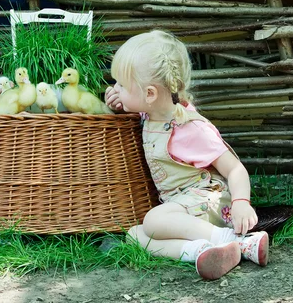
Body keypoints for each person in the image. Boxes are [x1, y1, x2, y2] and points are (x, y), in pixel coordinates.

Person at [105, 30, 268, 280]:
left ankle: (236, 240)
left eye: (122, 85)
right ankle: (201, 251)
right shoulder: (151, 113)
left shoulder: (191, 128)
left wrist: (241, 204)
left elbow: (234, 169)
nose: (115, 88)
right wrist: (120, 101)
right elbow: (137, 107)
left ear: (149, 94)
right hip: (186, 209)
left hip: (213, 204)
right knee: (134, 234)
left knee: (153, 220)